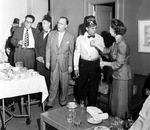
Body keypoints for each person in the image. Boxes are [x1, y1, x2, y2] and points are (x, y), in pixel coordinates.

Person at [92, 19, 133, 118]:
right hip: (116, 75)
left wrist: (104, 63)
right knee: (114, 104)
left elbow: (119, 63)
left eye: (110, 27)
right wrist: (95, 44)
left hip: (123, 77)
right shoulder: (116, 43)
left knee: (120, 106)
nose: (109, 29)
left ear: (115, 30)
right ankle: (115, 124)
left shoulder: (122, 44)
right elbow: (106, 51)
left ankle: (121, 125)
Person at [74, 15, 105, 106]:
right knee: (81, 86)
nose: (94, 30)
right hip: (84, 64)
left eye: (95, 28)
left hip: (95, 64)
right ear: (87, 28)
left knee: (94, 87)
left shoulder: (100, 38)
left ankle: (92, 106)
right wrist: (76, 67)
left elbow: (103, 53)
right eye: (92, 28)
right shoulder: (80, 39)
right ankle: (81, 104)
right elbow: (77, 53)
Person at [45, 17, 75, 110]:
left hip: (64, 63)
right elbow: (48, 48)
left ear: (66, 25)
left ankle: (63, 101)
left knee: (64, 84)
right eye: (58, 23)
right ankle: (50, 102)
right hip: (54, 62)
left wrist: (70, 65)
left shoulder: (71, 36)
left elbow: (71, 52)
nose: (59, 25)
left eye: (61, 23)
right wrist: (47, 61)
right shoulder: (51, 34)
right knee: (53, 83)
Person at [35, 15, 51, 90]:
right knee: (40, 80)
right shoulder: (40, 34)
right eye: (42, 23)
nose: (43, 25)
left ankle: (48, 98)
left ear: (49, 23)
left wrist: (45, 59)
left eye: (44, 23)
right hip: (39, 61)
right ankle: (41, 98)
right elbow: (36, 46)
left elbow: (52, 49)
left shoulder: (52, 34)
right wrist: (38, 56)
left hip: (47, 62)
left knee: (47, 80)